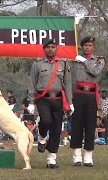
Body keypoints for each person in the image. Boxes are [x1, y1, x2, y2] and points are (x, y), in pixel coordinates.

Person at [27, 39, 73, 169]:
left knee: (57, 129)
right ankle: (41, 136)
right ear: (44, 49)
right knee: (46, 121)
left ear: (56, 48)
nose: (51, 49)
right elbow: (32, 83)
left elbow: (68, 84)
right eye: (48, 47)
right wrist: (31, 101)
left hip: (58, 99)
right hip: (43, 98)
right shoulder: (37, 63)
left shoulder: (63, 63)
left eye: (53, 47)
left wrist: (70, 102)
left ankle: (51, 159)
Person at [70, 36, 106, 167]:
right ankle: (77, 156)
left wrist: (85, 61)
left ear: (93, 47)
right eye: (85, 45)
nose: (87, 47)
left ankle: (88, 157)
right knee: (77, 125)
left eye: (90, 45)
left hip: (91, 95)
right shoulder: (75, 60)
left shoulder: (99, 60)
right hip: (78, 94)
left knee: (90, 126)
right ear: (82, 47)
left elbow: (95, 72)